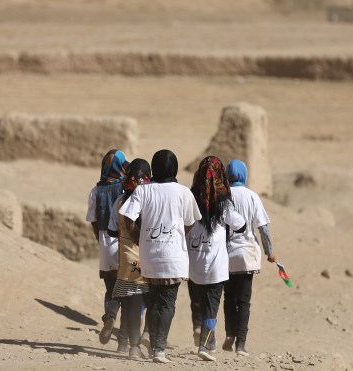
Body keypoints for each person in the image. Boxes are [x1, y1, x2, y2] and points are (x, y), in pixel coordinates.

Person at [119, 149, 201, 363]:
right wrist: (179, 236)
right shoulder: (184, 192)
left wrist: (139, 239)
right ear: (174, 168)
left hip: (149, 256)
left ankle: (154, 343)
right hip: (174, 258)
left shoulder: (143, 191)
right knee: (167, 303)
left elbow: (127, 217)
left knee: (154, 301)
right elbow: (191, 221)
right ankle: (159, 349)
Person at [186, 156, 246, 361]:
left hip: (192, 265)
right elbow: (240, 225)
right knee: (211, 306)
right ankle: (205, 344)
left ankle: (198, 333)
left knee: (199, 303)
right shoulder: (223, 204)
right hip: (215, 266)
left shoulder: (189, 197)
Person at [222, 159, 277, 357]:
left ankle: (229, 333)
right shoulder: (252, 196)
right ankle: (241, 345)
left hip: (226, 255)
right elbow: (263, 228)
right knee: (244, 301)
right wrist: (269, 252)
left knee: (229, 298)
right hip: (247, 255)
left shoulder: (223, 197)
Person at [106, 159, 152, 359]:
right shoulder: (149, 200)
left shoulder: (120, 201)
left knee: (126, 299)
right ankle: (139, 342)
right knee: (145, 300)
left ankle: (121, 341)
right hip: (146, 257)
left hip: (125, 256)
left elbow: (110, 229)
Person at [85, 149, 129, 349]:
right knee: (129, 292)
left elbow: (93, 220)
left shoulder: (95, 191)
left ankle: (109, 316)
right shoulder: (124, 189)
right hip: (123, 243)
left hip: (104, 242)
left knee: (110, 287)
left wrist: (99, 238)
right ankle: (123, 341)